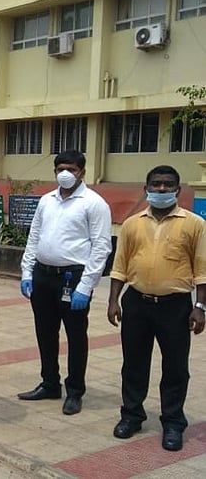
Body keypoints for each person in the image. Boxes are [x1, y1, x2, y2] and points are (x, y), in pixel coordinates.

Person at [106, 165, 206, 452]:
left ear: (178, 189)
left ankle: (173, 422)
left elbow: (202, 268)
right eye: (156, 184)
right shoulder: (132, 223)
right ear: (146, 188)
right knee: (133, 364)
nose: (162, 189)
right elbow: (120, 264)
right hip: (137, 303)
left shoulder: (194, 224)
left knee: (175, 367)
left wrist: (200, 306)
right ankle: (132, 415)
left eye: (168, 184)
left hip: (175, 307)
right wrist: (113, 300)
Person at [18, 149, 112, 416]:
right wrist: (27, 272)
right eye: (60, 169)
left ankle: (75, 390)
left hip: (73, 278)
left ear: (82, 172)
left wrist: (86, 286)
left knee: (75, 335)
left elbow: (101, 247)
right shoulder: (47, 200)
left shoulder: (94, 203)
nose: (65, 174)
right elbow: (34, 236)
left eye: (71, 169)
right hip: (43, 275)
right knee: (45, 332)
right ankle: (50, 383)